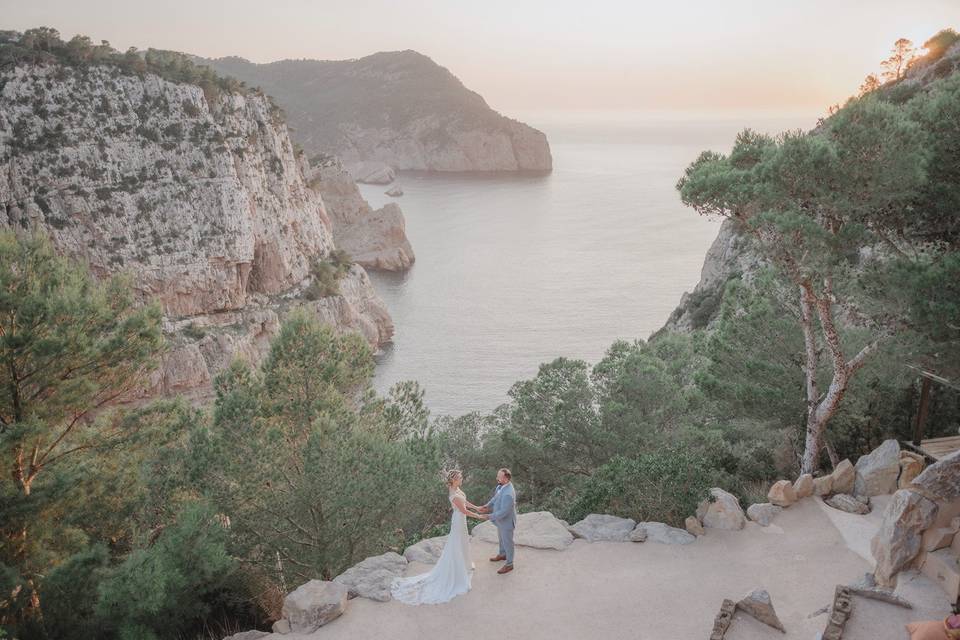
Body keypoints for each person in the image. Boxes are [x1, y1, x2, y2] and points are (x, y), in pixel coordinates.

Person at [391, 469, 486, 605]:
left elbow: (465, 502)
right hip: (459, 520)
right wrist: (479, 516)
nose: (462, 479)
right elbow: (464, 510)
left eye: (461, 477)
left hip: (461, 520)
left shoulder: (457, 489)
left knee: (462, 542)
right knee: (457, 544)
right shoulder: (454, 494)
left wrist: (477, 507)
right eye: (459, 477)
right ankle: (458, 570)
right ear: (453, 480)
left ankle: (464, 564)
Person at [476, 468, 517, 575]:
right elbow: (495, 498)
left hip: (506, 522)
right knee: (501, 539)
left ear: (506, 479)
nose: (496, 478)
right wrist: (487, 505)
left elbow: (503, 512)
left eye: (499, 477)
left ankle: (509, 564)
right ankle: (503, 554)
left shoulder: (509, 494)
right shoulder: (501, 486)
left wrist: (488, 516)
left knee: (508, 542)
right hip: (500, 521)